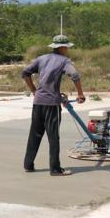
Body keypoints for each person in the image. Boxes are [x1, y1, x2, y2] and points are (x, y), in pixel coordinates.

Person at [22, 35, 85, 176]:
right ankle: (55, 169)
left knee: (35, 134)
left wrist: (33, 90)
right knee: (53, 137)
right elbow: (75, 75)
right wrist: (80, 94)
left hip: (38, 102)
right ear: (62, 48)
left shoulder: (41, 58)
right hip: (51, 104)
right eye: (67, 47)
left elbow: (25, 73)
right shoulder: (64, 61)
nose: (67, 50)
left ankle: (28, 165)